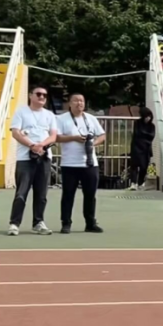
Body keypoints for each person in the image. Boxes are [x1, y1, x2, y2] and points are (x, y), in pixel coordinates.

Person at [8, 86, 58, 236]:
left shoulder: (49, 115)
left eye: (44, 95)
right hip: (25, 158)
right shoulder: (21, 112)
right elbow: (15, 133)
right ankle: (14, 223)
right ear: (31, 95)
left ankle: (38, 222)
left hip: (44, 157)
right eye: (38, 94)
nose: (42, 97)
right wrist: (31, 145)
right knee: (21, 193)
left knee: (41, 194)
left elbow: (53, 136)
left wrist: (41, 145)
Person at [56, 93, 106, 234]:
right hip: (70, 163)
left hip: (90, 163)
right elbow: (56, 137)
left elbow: (102, 135)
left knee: (90, 195)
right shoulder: (61, 119)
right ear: (70, 103)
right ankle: (66, 223)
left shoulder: (91, 118)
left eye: (81, 101)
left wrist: (93, 143)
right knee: (68, 194)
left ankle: (90, 223)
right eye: (76, 101)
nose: (79, 103)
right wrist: (74, 138)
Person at [128, 108, 156, 191]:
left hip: (146, 149)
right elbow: (137, 134)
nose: (148, 118)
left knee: (144, 167)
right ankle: (133, 183)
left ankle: (140, 182)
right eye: (146, 116)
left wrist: (143, 135)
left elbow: (151, 136)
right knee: (134, 166)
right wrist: (145, 136)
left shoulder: (152, 126)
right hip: (136, 147)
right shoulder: (137, 123)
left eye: (149, 116)